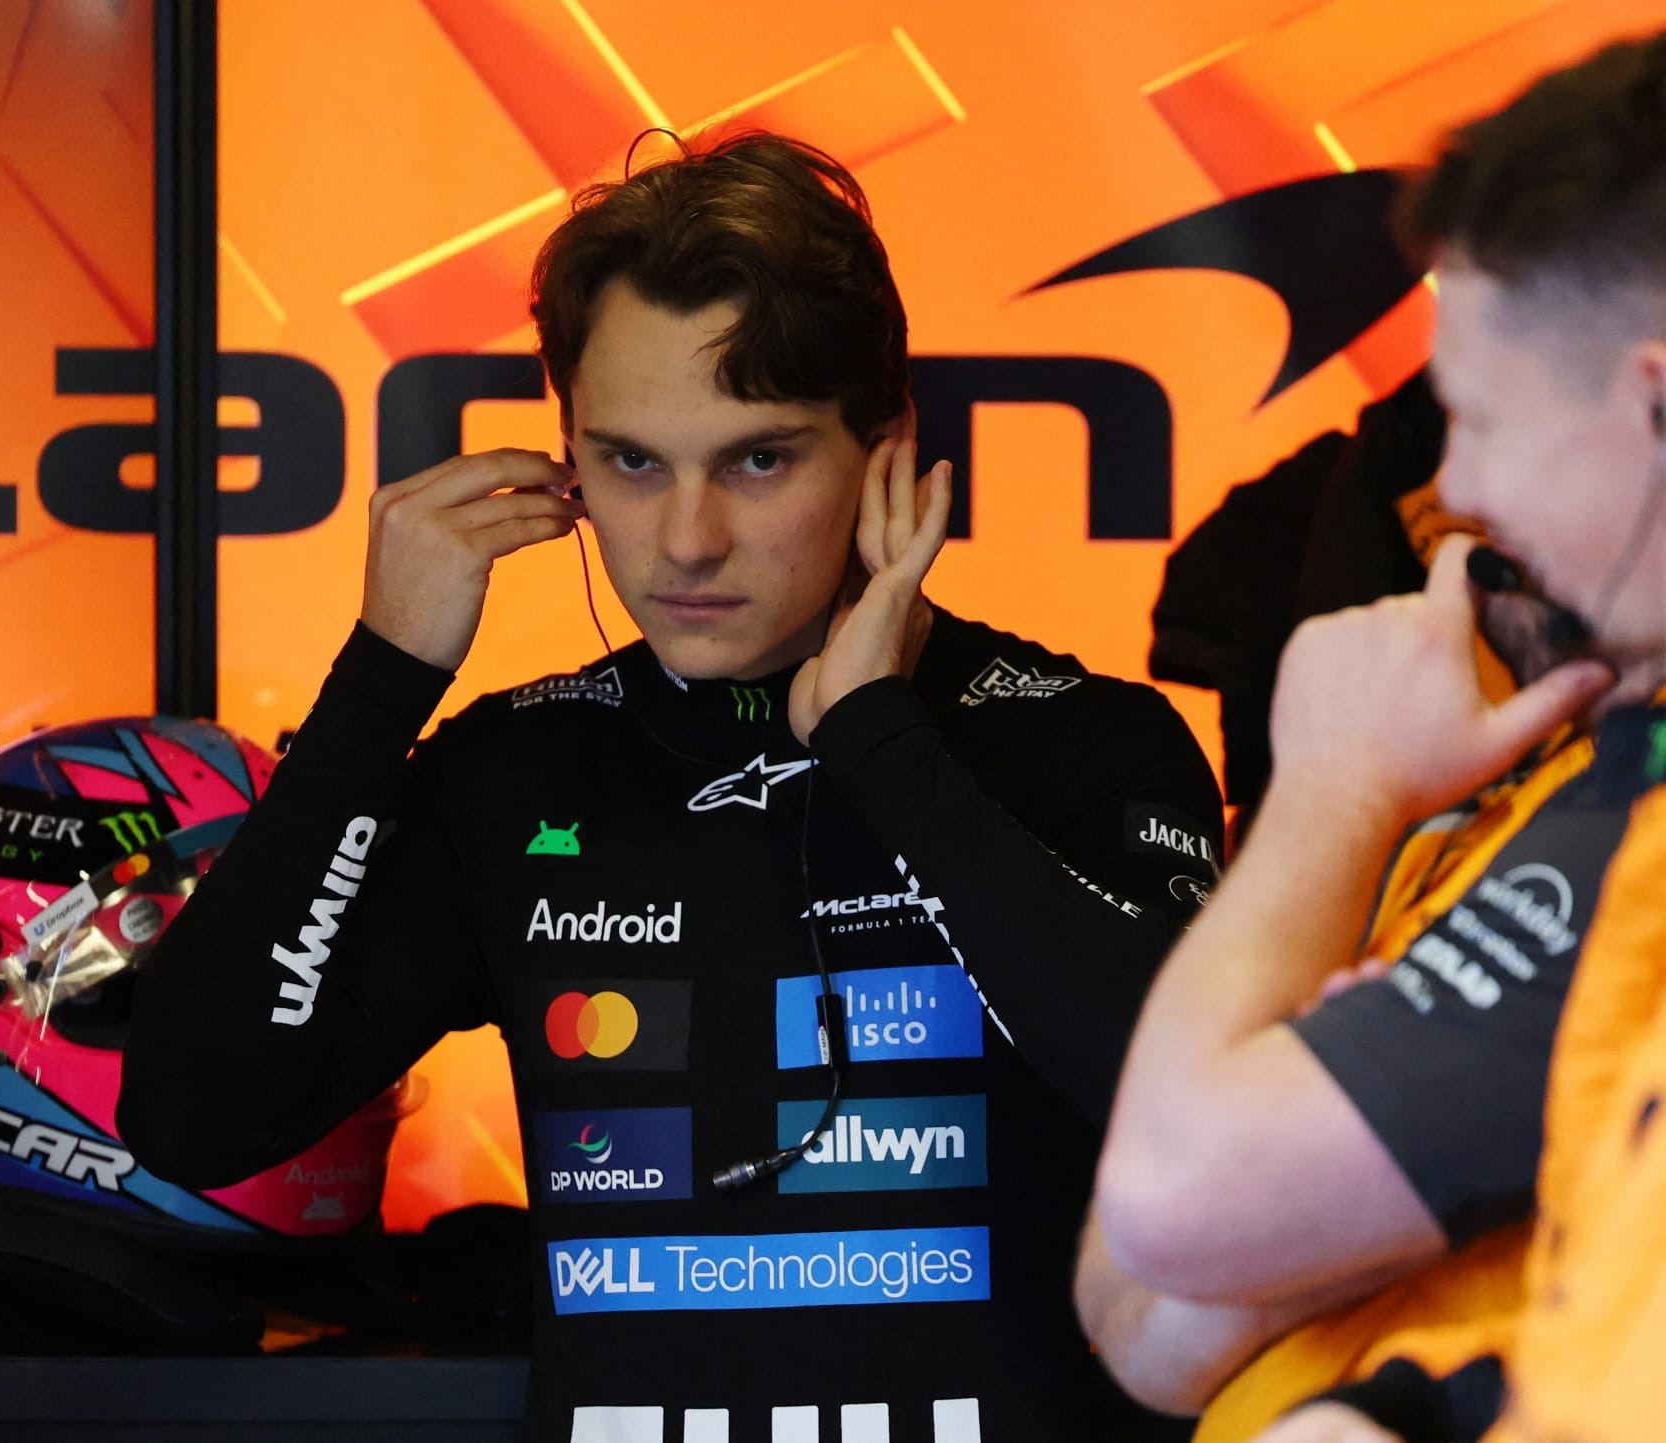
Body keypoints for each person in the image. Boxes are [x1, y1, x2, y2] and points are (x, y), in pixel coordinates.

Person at [116, 131, 1223, 1441]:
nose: (688, 542)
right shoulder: (520, 771)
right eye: (634, 463)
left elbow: (1204, 1129)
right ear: (567, 461)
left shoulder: (1086, 744)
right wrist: (379, 685)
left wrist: (880, 744)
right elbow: (193, 1119)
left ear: (887, 449)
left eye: (758, 460)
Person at [1078, 30, 1666, 1443]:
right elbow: (1142, 1312)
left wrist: (1333, 791)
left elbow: (1174, 1200)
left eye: (1482, 419)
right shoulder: (1596, 758)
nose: (1455, 485)